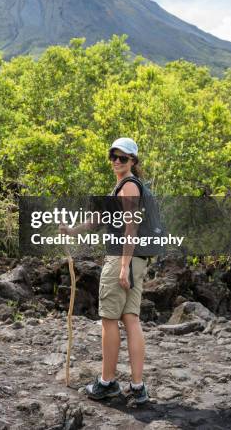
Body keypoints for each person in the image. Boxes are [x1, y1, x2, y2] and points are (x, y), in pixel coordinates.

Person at [60, 137, 150, 404]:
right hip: (137, 260)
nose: (116, 161)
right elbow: (101, 219)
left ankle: (107, 383)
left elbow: (131, 227)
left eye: (122, 157)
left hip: (123, 257)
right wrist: (73, 230)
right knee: (130, 319)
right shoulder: (123, 187)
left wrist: (123, 267)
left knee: (110, 320)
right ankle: (137, 388)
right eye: (113, 156)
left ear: (133, 161)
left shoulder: (129, 187)